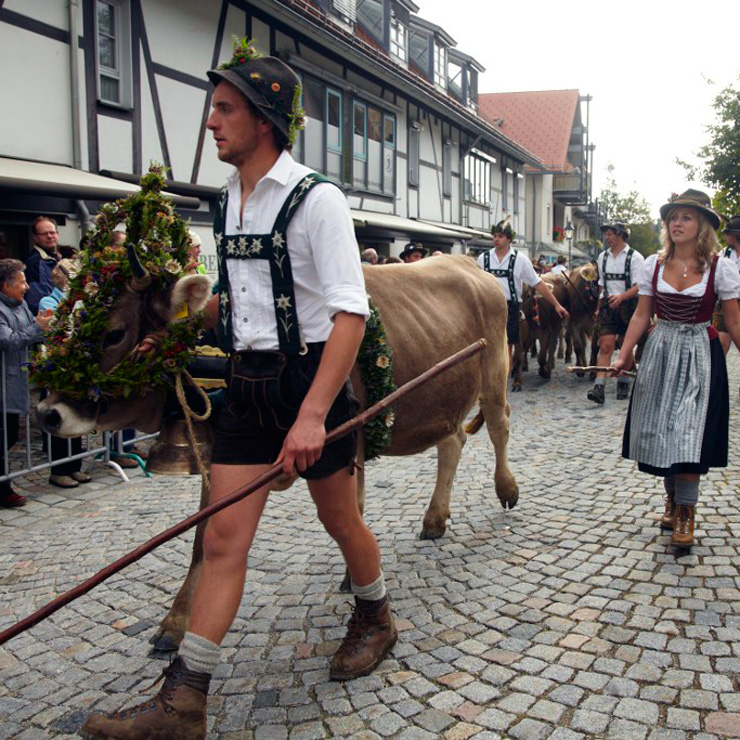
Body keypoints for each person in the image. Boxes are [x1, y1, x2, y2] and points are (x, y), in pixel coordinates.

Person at [81, 41, 395, 740]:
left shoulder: (319, 200)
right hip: (247, 384)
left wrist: (313, 416)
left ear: (265, 119)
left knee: (340, 521)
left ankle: (375, 614)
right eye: (212, 108)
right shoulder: (231, 201)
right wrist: (190, 321)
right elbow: (247, 296)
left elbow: (351, 311)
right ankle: (182, 702)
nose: (211, 122)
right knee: (223, 539)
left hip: (310, 382)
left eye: (224, 109)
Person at [611, 190, 740, 548]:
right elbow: (641, 314)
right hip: (661, 351)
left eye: (686, 217)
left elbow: (734, 321)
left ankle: (686, 512)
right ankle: (671, 499)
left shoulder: (720, 267)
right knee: (663, 433)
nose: (677, 223)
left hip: (700, 352)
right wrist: (623, 355)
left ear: (702, 225)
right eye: (673, 217)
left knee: (688, 433)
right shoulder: (652, 264)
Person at [478, 219, 569, 371]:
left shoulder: (520, 259)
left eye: (500, 236)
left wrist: (557, 305)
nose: (496, 239)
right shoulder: (483, 259)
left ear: (508, 239)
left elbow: (537, 283)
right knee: (487, 345)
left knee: (508, 345)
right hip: (488, 307)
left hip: (511, 307)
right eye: (494, 236)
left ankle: (503, 380)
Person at [0, 259, 52, 507]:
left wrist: (43, 327)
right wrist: (36, 328)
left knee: (9, 435)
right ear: (5, 286)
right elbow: (9, 341)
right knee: (5, 436)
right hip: (3, 384)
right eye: (21, 282)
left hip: (17, 382)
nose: (27, 287)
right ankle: (3, 489)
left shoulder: (20, 306)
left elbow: (32, 331)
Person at [38, 260, 93, 488]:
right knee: (57, 415)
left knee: (75, 413)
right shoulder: (48, 300)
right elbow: (52, 327)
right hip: (56, 364)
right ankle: (59, 469)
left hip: (75, 364)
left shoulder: (80, 300)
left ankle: (74, 465)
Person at [587, 221, 644, 404]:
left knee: (624, 343)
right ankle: (599, 386)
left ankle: (623, 380)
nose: (607, 237)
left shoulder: (635, 258)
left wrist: (622, 297)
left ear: (621, 235)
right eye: (606, 234)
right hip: (608, 306)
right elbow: (602, 286)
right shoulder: (602, 257)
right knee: (605, 345)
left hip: (629, 306)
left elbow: (639, 286)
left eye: (610, 234)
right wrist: (598, 308)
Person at [713, 214, 740, 354]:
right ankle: (717, 374)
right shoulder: (724, 253)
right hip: (725, 302)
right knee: (721, 343)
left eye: (727, 233)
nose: (725, 237)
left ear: (736, 235)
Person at [25, 216, 62, 314]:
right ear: (35, 238)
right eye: (44, 234)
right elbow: (36, 301)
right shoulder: (35, 263)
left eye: (52, 232)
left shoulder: (56, 259)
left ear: (57, 234)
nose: (49, 236)